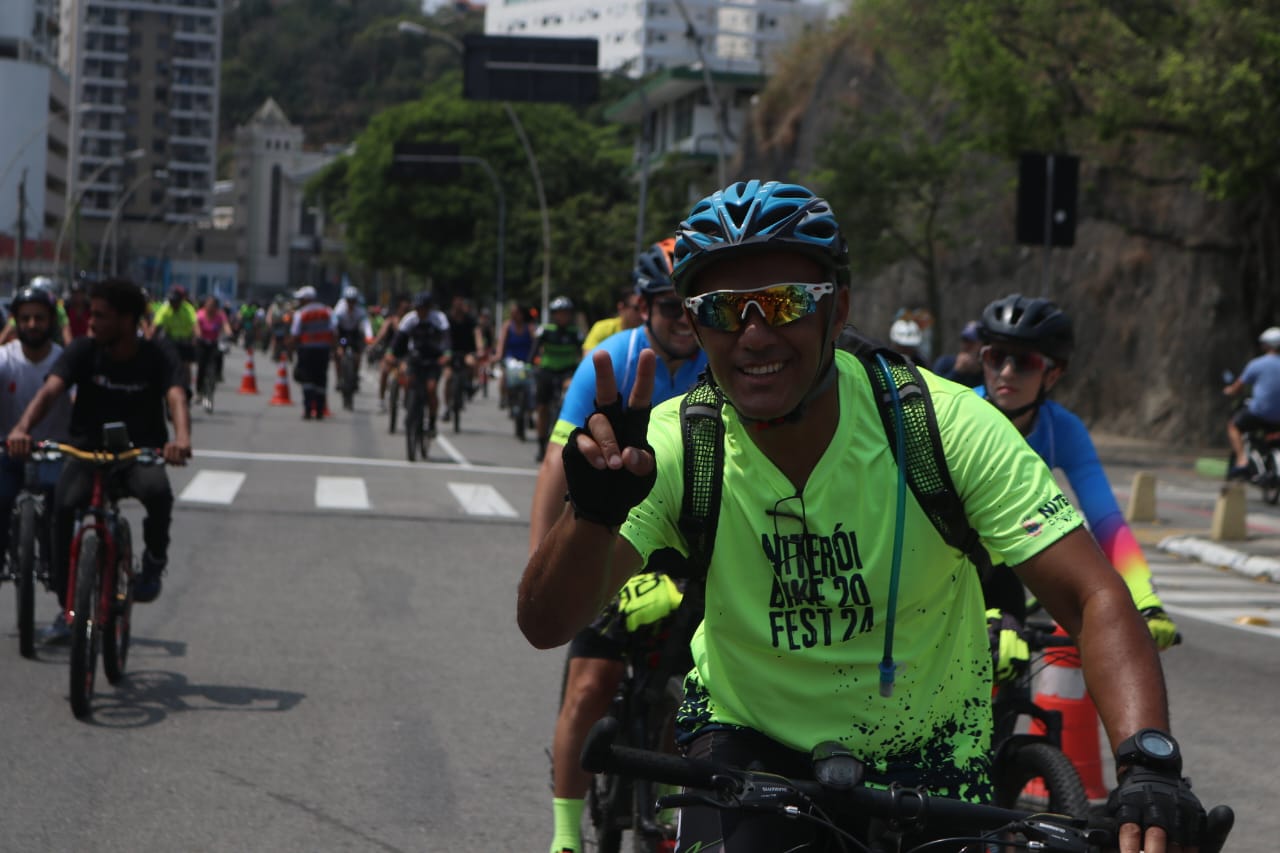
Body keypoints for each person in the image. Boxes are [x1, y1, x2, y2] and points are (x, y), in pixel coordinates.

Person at [517, 180, 1207, 853]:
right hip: (748, 744)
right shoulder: (677, 442)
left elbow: (1092, 595)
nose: (754, 335)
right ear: (695, 325)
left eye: (784, 302)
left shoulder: (944, 426)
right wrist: (592, 515)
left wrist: (1149, 763)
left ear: (838, 309)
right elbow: (546, 622)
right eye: (725, 310)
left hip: (935, 751)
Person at [534, 241, 706, 853]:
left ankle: (668, 806)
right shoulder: (611, 358)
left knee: (690, 697)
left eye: (694, 305)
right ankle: (563, 835)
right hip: (618, 538)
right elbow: (558, 463)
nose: (684, 320)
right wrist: (545, 568)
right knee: (592, 684)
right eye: (668, 307)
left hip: (690, 550)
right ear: (641, 307)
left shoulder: (724, 361)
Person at [974, 294, 1179, 665]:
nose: (1006, 372)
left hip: (1015, 568)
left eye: (1024, 362)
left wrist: (1146, 601)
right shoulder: (958, 412)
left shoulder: (1063, 430)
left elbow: (1106, 522)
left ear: (1053, 374)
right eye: (995, 356)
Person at [8, 278, 191, 631]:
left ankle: (153, 562)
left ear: (127, 321)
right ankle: (68, 598)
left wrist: (180, 439)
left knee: (158, 493)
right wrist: (22, 429)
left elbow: (176, 397)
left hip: (139, 453)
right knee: (62, 506)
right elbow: (51, 391)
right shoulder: (82, 350)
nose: (90, 322)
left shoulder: (157, 355)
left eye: (100, 316)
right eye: (90, 315)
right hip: (86, 452)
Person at [0, 288, 73, 579]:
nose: (32, 324)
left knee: (62, 512)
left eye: (39, 318)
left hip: (54, 453)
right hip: (7, 451)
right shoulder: (5, 358)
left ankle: (59, 571)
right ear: (15, 322)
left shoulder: (65, 361)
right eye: (25, 318)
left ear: (51, 322)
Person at [388, 292, 450, 437]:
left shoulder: (438, 319)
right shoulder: (410, 319)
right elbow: (398, 339)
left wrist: (446, 354)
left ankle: (432, 422)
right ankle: (410, 406)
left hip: (433, 359)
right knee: (408, 380)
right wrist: (390, 353)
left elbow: (447, 339)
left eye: (423, 308)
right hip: (415, 358)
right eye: (418, 308)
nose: (420, 311)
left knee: (431, 388)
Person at [531, 296, 584, 462]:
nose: (563, 317)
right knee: (542, 408)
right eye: (560, 313)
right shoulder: (546, 330)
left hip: (567, 372)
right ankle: (541, 445)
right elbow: (534, 350)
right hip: (547, 370)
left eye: (566, 313)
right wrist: (530, 364)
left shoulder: (575, 333)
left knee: (568, 395)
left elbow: (583, 352)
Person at [1224, 326, 1280, 479]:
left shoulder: (1257, 364)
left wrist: (1229, 391)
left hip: (1260, 413)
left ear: (1266, 345)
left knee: (1234, 426)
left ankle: (1242, 461)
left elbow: (1237, 387)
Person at [289, 285, 336, 420]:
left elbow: (295, 334)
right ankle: (320, 410)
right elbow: (334, 331)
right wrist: (335, 348)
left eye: (301, 299)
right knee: (321, 379)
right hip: (323, 350)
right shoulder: (327, 311)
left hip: (307, 351)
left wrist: (290, 351)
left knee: (307, 380)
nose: (299, 302)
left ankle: (309, 409)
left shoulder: (301, 313)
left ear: (307, 299)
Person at [148, 285, 199, 391]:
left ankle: (187, 389)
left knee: (186, 365)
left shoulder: (188, 309)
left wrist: (197, 337)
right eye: (171, 301)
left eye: (175, 301)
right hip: (170, 340)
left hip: (185, 341)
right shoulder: (165, 309)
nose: (173, 304)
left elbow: (195, 325)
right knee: (166, 363)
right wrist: (149, 339)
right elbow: (155, 325)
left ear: (181, 300)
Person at [443, 295, 484, 421]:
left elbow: (477, 333)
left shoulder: (469, 319)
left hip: (466, 352)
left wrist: (480, 348)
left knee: (471, 363)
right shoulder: (447, 319)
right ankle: (447, 407)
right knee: (448, 378)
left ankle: (469, 386)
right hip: (450, 352)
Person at [370, 293, 412, 414]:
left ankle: (408, 399)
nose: (404, 311)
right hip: (391, 352)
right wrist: (373, 345)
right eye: (403, 308)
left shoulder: (411, 322)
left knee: (408, 373)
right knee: (384, 371)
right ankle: (381, 400)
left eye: (407, 309)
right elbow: (381, 334)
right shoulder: (390, 321)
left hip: (406, 354)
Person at [494, 305, 535, 411]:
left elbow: (536, 343)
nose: (514, 316)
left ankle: (530, 408)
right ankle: (504, 397)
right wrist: (499, 355)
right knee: (505, 376)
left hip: (526, 360)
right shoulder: (507, 326)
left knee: (530, 384)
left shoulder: (529, 327)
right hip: (510, 359)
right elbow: (501, 343)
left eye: (516, 313)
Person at [195, 296, 233, 408]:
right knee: (201, 368)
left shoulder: (220, 315)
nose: (210, 307)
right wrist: (198, 336)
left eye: (213, 305)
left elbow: (226, 325)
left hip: (214, 343)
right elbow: (196, 326)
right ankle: (199, 392)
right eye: (208, 304)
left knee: (216, 362)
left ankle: (216, 376)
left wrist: (229, 333)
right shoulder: (200, 314)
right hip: (202, 344)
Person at [581, 285, 644, 353]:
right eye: (637, 308)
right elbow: (587, 357)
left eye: (644, 308)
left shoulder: (648, 332)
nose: (642, 313)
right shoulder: (602, 328)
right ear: (621, 308)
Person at [333, 284, 373, 389]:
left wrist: (369, 338)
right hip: (342, 334)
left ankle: (355, 374)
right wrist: (338, 346)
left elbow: (366, 325)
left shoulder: (360, 310)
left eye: (353, 301)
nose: (351, 304)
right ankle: (339, 378)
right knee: (338, 355)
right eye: (349, 301)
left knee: (358, 354)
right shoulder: (339, 309)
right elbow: (334, 326)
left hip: (354, 334)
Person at [931, 320, 983, 386]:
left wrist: (977, 372)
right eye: (965, 340)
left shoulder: (986, 368)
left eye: (971, 342)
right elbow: (935, 387)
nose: (966, 346)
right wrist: (956, 371)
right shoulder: (945, 363)